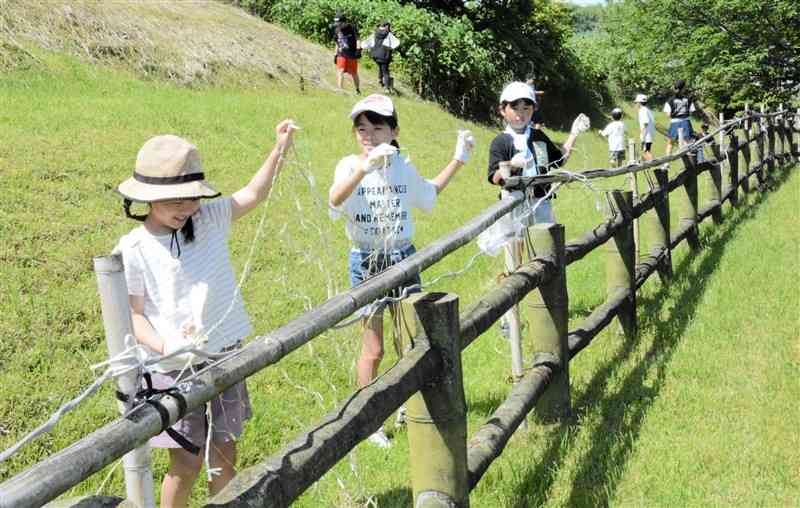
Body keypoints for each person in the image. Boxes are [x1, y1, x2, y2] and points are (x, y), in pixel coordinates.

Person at [114, 121, 295, 507]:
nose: (185, 208)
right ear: (147, 198)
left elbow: (253, 194)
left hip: (224, 354)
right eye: (174, 200)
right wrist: (167, 345)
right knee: (186, 459)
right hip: (172, 368)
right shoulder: (134, 248)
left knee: (225, 451)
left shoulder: (209, 219)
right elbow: (134, 316)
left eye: (190, 198)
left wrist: (278, 150)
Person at [329, 94, 473, 448]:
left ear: (394, 131)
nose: (369, 135)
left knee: (411, 341)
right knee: (374, 348)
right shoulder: (349, 165)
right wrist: (365, 167)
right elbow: (334, 200)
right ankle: (368, 419)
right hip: (366, 261)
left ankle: (413, 404)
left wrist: (458, 160)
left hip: (404, 259)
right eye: (362, 129)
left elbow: (428, 194)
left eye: (378, 128)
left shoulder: (402, 167)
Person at [361, 21, 400, 93]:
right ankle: (387, 88)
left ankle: (380, 81)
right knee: (386, 71)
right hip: (384, 56)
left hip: (375, 55)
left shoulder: (375, 32)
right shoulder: (388, 34)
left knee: (381, 67)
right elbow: (396, 43)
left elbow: (368, 42)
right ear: (387, 26)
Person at [663, 79, 699, 155]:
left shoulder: (670, 100)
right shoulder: (688, 99)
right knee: (687, 141)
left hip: (674, 123)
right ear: (684, 88)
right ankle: (688, 160)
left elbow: (668, 115)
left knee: (670, 143)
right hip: (685, 122)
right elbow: (691, 112)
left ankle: (666, 162)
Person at [333, 13, 361, 94]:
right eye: (337, 24)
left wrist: (358, 50)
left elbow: (358, 39)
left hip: (352, 54)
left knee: (354, 73)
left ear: (344, 22)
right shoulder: (337, 29)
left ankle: (357, 90)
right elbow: (337, 42)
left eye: (340, 24)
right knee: (340, 71)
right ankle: (340, 89)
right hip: (341, 54)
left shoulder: (352, 28)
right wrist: (335, 55)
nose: (338, 25)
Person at [634, 93, 655, 161]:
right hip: (650, 134)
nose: (636, 104)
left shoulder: (642, 110)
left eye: (636, 102)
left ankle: (654, 166)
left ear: (639, 103)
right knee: (646, 151)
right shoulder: (648, 110)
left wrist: (642, 135)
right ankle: (649, 166)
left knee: (647, 151)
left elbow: (645, 123)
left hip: (646, 135)